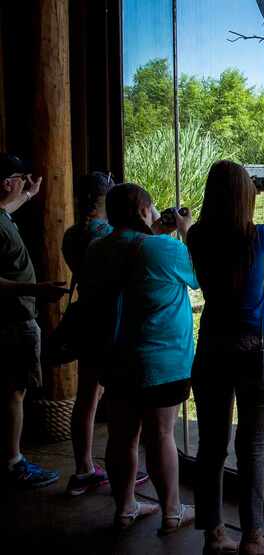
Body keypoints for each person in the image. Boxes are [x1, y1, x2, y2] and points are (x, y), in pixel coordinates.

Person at [187, 161, 264, 555]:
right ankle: (253, 539)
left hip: (213, 345)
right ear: (249, 195)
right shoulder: (260, 237)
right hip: (256, 346)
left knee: (211, 445)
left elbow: (202, 233)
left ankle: (214, 536)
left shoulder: (196, 236)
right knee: (252, 445)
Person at [83, 183, 197, 533]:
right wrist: (185, 230)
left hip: (115, 358)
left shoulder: (97, 248)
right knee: (161, 435)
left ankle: (125, 508)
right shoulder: (164, 249)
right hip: (162, 360)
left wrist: (156, 232)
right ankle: (172, 511)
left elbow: (128, 254)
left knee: (121, 436)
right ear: (143, 210)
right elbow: (198, 274)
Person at [62, 172, 149, 496]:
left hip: (88, 321)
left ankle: (84, 467)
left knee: (86, 398)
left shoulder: (72, 235)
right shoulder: (104, 234)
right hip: (113, 324)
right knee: (121, 403)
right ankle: (121, 472)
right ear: (106, 200)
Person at [1, 153, 69, 488]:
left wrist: (28, 196)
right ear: (7, 182)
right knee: (15, 390)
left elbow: (6, 210)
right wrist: (37, 289)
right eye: (20, 178)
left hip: (16, 316)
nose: (23, 183)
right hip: (12, 318)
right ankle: (13, 462)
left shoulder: (0, 214)